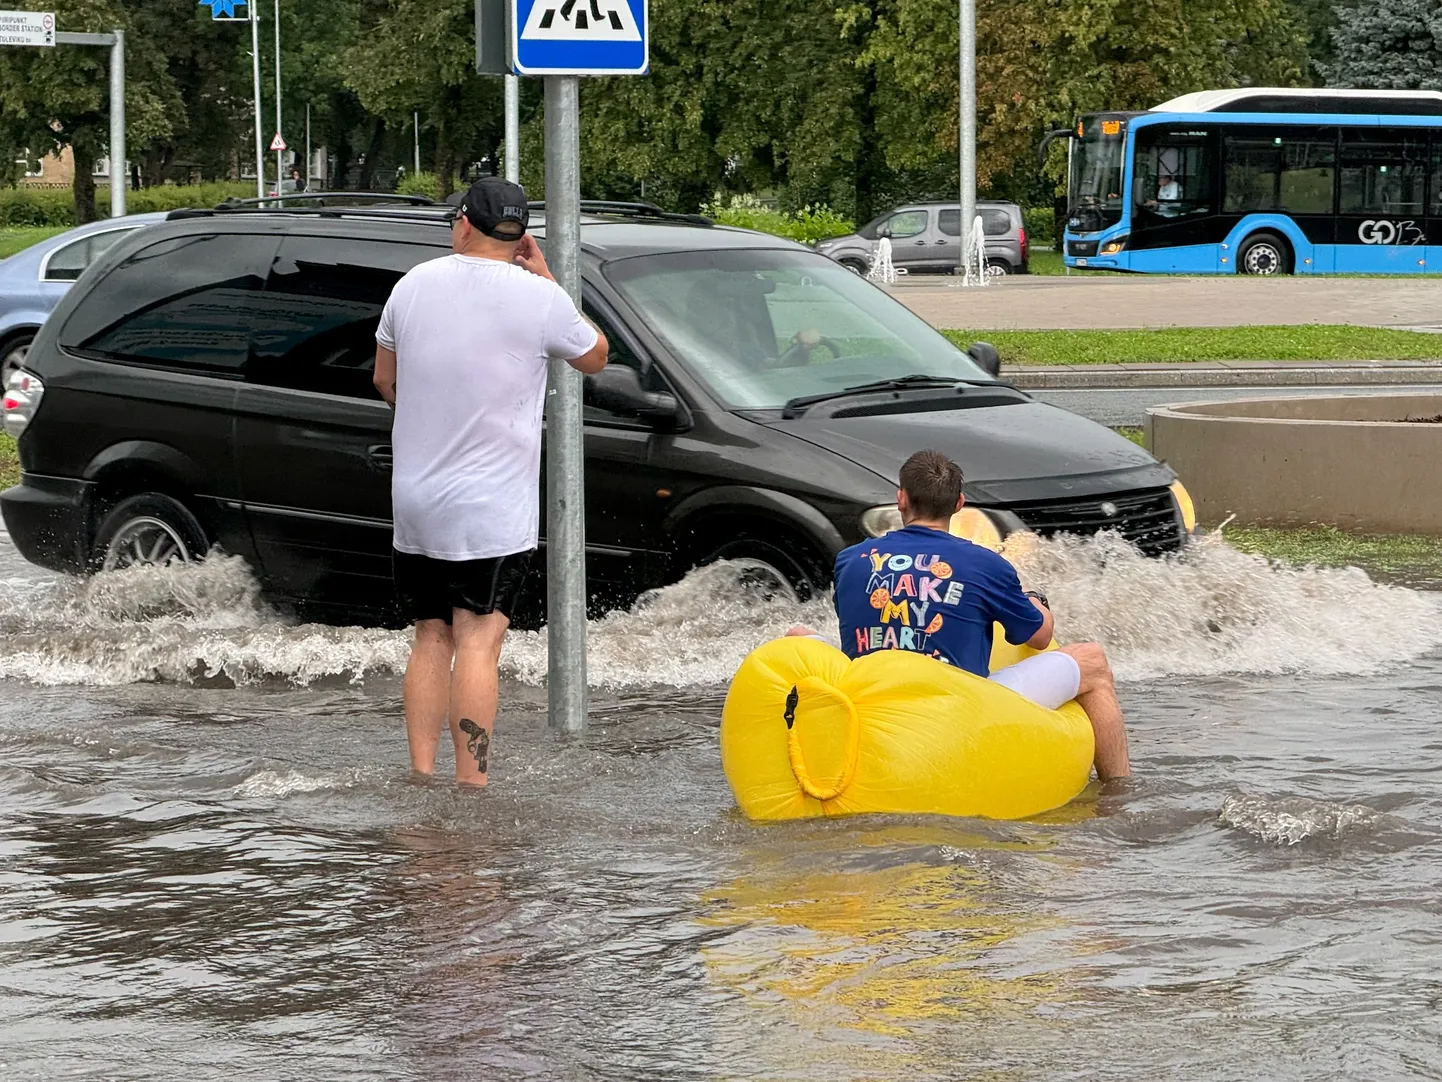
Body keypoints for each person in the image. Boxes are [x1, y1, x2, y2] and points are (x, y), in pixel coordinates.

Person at [372, 176, 609, 786]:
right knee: (478, 639)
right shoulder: (538, 298)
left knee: (431, 635)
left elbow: (384, 379)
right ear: (519, 236)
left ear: (463, 223)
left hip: (417, 500)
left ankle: (421, 773)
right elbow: (595, 356)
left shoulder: (412, 285)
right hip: (491, 508)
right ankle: (472, 782)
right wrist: (550, 279)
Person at [788, 449, 1130, 779]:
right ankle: (1119, 791)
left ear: (901, 499)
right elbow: (1039, 638)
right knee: (1093, 662)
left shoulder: (850, 560)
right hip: (955, 711)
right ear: (959, 505)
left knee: (797, 637)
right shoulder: (986, 564)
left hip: (867, 702)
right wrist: (1034, 600)